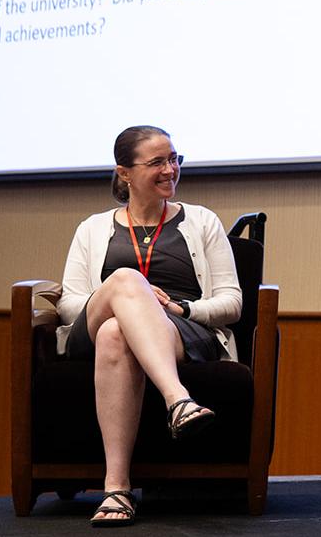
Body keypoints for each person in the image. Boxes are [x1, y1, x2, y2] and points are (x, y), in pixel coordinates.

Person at [57, 126, 242, 527]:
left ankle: (116, 490)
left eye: (174, 159)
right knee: (125, 281)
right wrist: (124, 295)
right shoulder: (92, 228)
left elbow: (232, 301)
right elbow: (69, 304)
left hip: (178, 329)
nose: (170, 169)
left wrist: (181, 307)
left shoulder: (202, 221)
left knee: (115, 334)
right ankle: (178, 400)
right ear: (124, 172)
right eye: (157, 162)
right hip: (95, 324)